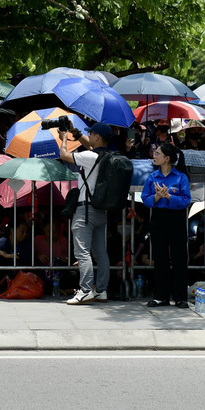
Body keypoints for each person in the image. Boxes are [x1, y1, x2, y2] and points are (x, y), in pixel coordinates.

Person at [58, 121, 114, 305]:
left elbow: (64, 155)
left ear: (98, 136)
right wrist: (76, 133)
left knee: (82, 253)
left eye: (91, 134)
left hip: (85, 209)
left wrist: (64, 139)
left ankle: (85, 290)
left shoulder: (90, 156)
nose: (88, 136)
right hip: (100, 209)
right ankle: (102, 291)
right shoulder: (107, 155)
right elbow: (91, 146)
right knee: (101, 253)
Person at [141, 143, 191, 308]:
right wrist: (156, 197)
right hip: (158, 218)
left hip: (176, 219)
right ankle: (160, 296)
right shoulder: (153, 177)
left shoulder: (181, 177)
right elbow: (145, 198)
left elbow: (185, 200)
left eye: (158, 153)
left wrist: (169, 196)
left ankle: (180, 297)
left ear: (167, 158)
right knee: (160, 257)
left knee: (179, 258)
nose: (154, 156)